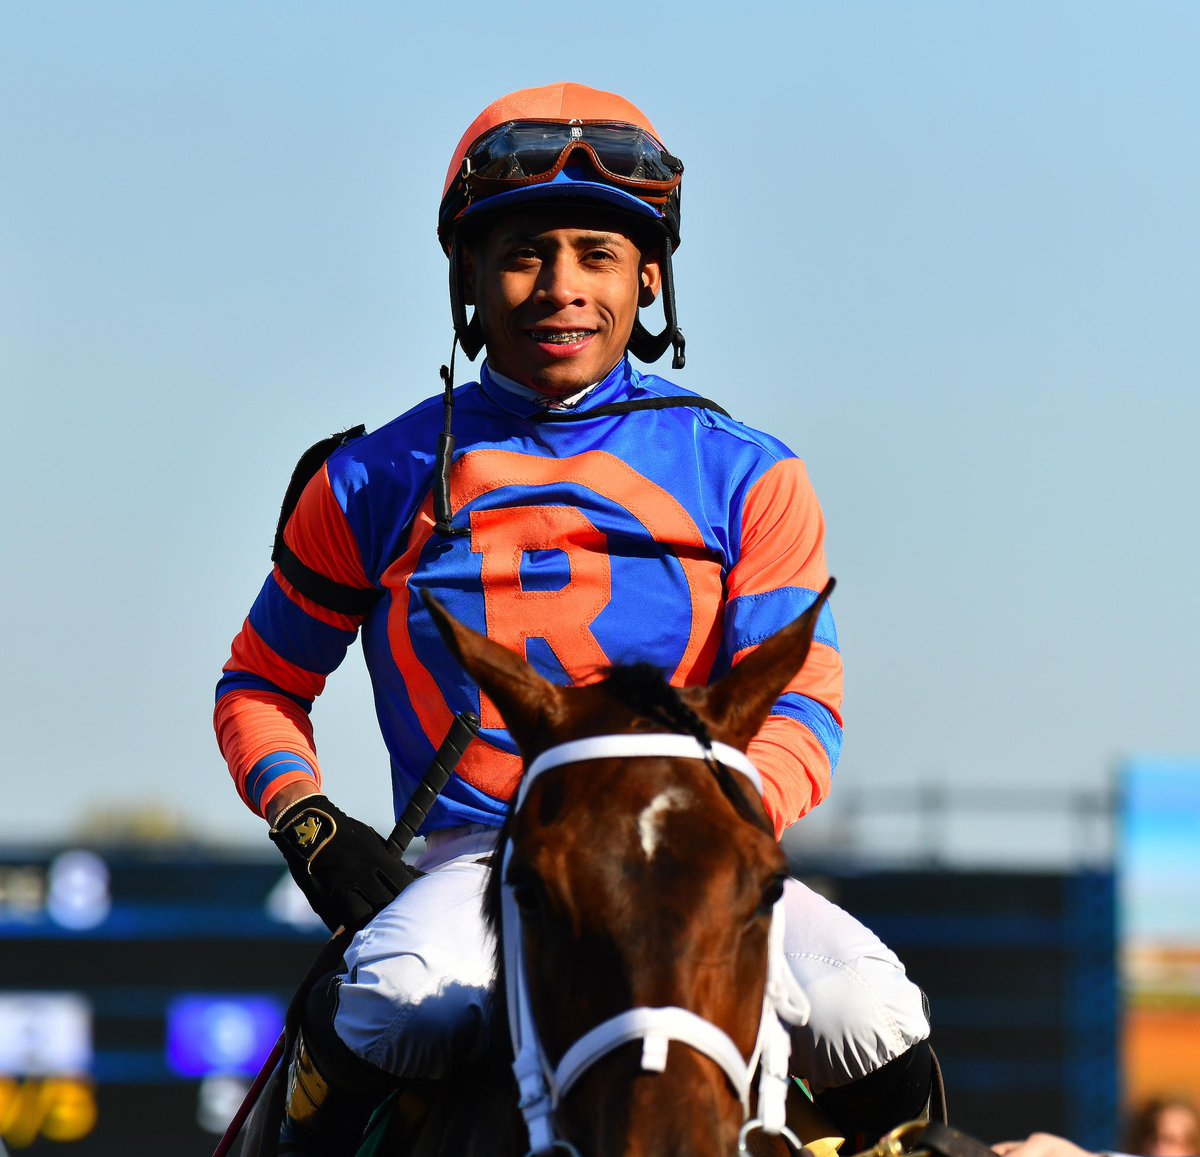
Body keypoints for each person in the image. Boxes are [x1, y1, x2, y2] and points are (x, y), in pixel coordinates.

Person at [214, 82, 933, 1154]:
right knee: (386, 1003)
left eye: (597, 253)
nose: (561, 287)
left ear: (649, 278)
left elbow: (805, 703)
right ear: (467, 276)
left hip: (697, 857)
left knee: (873, 1018)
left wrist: (712, 836)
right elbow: (261, 686)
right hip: (477, 856)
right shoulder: (371, 478)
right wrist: (308, 821)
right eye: (524, 252)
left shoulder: (752, 477)